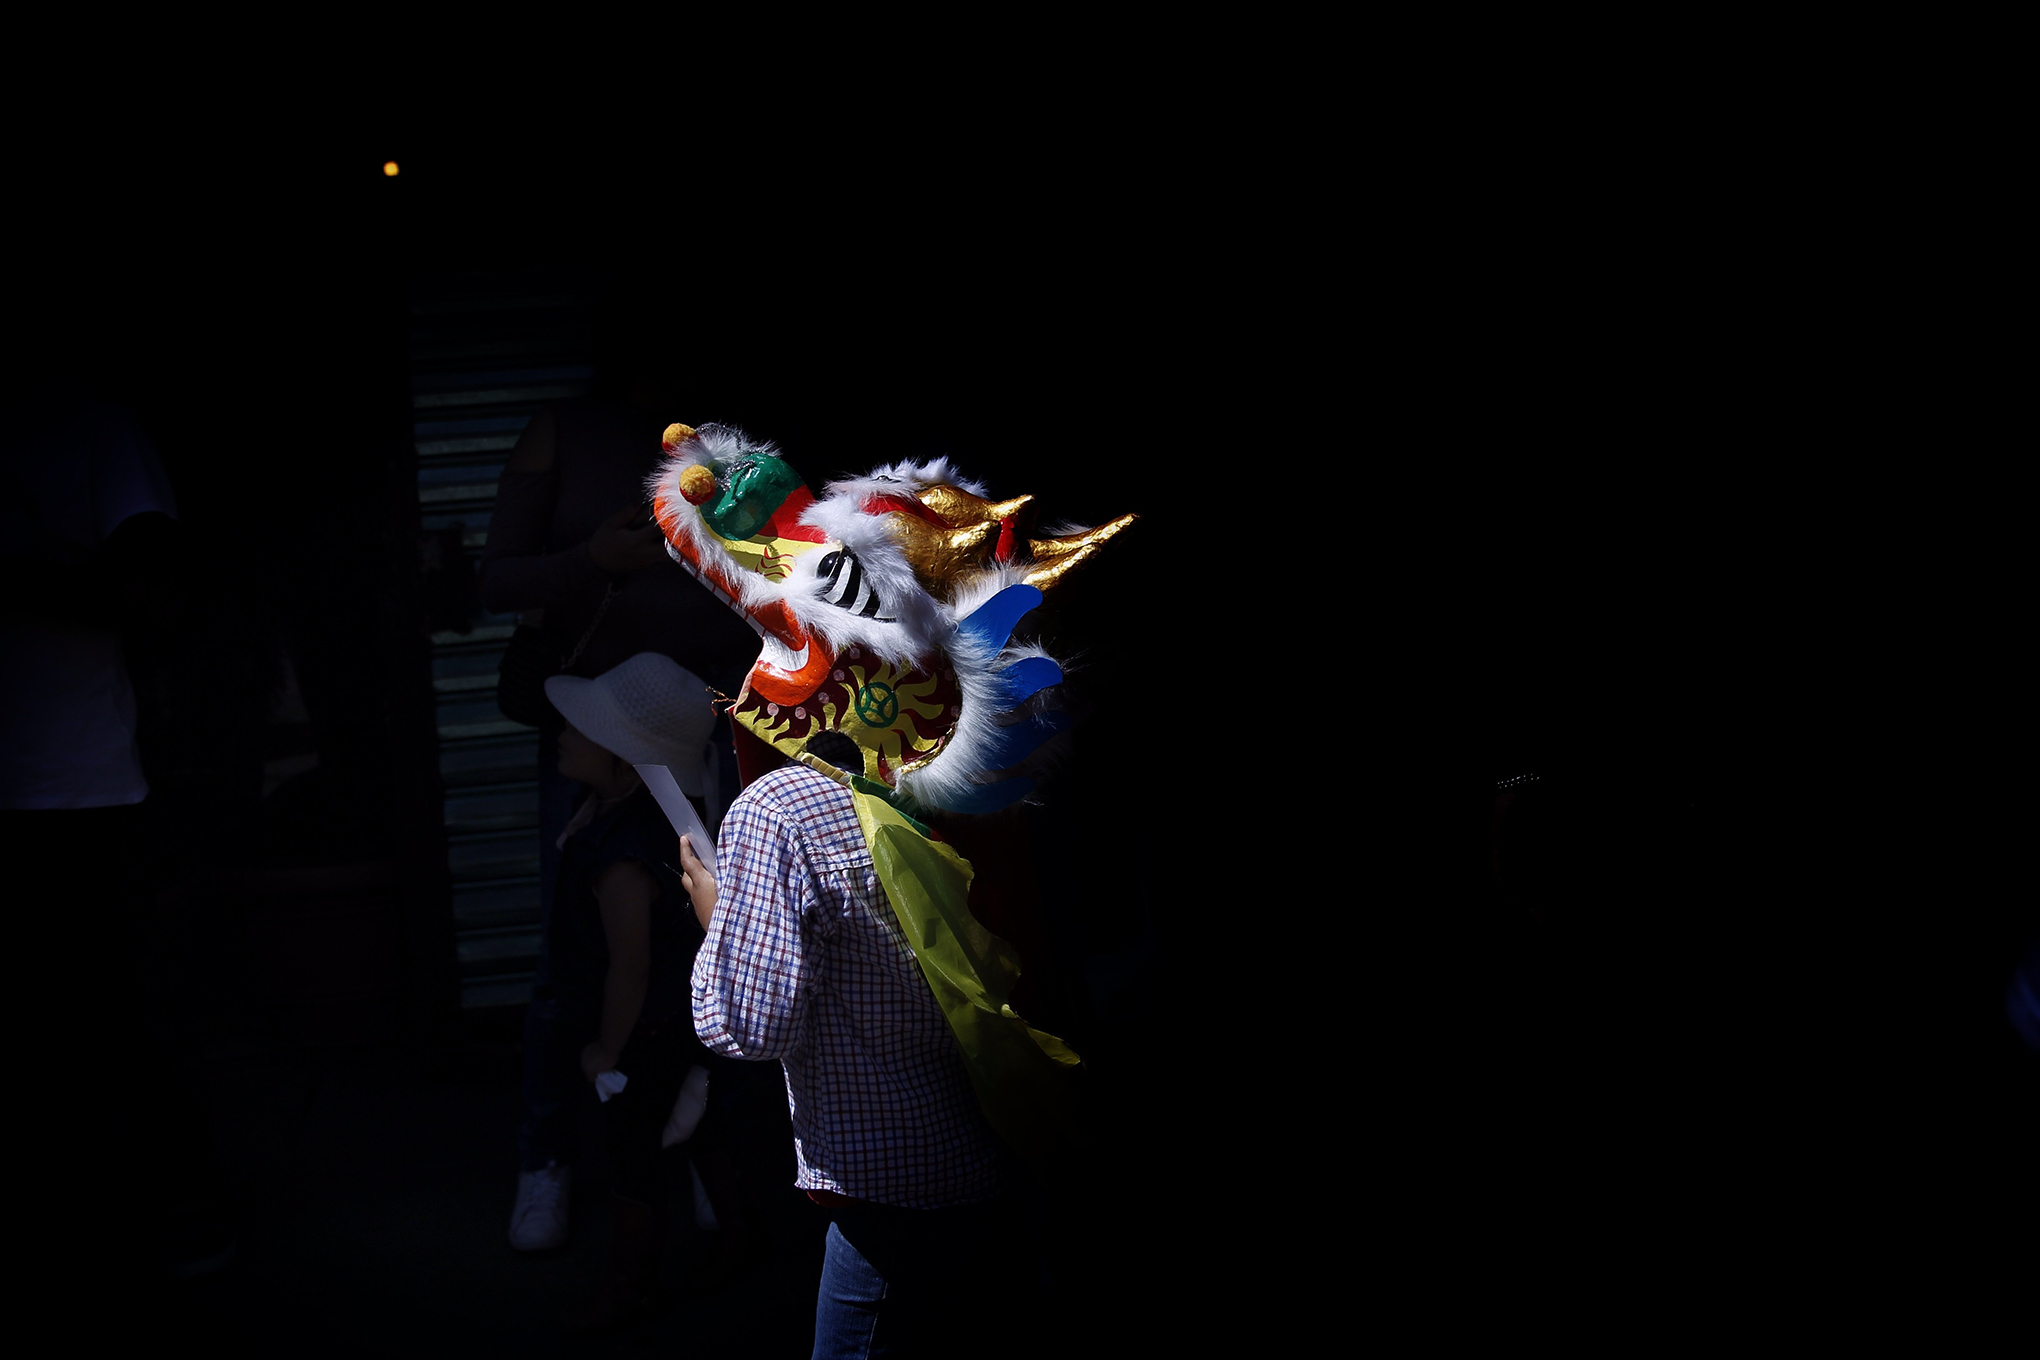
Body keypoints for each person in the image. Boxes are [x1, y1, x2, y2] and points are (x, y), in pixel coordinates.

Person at [646, 422, 1134, 1356]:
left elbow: (748, 1024)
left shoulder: (782, 811)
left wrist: (719, 918)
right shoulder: (992, 806)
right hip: (1000, 1163)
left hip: (890, 1195)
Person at [485, 385, 756, 1252]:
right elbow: (495, 577)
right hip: (596, 730)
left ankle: (708, 1154)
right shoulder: (565, 432)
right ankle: (547, 1156)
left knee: (720, 947)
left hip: (720, 724)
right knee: (572, 953)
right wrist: (592, 560)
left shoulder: (742, 432)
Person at [539, 652, 751, 1328]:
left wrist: (607, 1050)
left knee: (634, 1156)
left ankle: (630, 1289)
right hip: (674, 1023)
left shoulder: (624, 858)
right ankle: (739, 1242)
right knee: (701, 1128)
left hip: (646, 1033)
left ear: (627, 766)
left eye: (584, 728)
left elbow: (628, 969)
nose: (563, 733)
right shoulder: (628, 816)